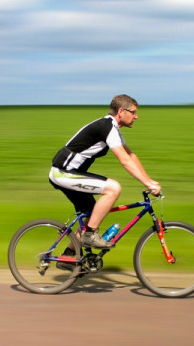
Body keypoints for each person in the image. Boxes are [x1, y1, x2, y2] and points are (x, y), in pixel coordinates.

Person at [49, 94, 161, 254]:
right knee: (113, 188)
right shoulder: (107, 127)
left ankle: (68, 256)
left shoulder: (112, 128)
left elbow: (131, 156)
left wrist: (150, 180)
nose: (137, 116)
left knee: (93, 214)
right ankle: (89, 235)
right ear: (121, 111)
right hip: (63, 173)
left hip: (69, 174)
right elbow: (124, 160)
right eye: (133, 112)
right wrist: (148, 184)